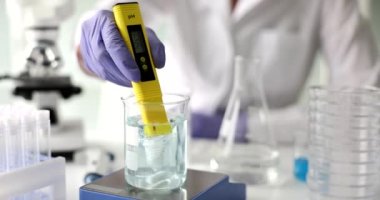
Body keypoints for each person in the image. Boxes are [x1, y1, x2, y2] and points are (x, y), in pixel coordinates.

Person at [77, 0, 379, 142]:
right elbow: (112, 14)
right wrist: (93, 43)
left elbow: (363, 104)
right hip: (179, 144)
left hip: (272, 157)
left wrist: (248, 127)